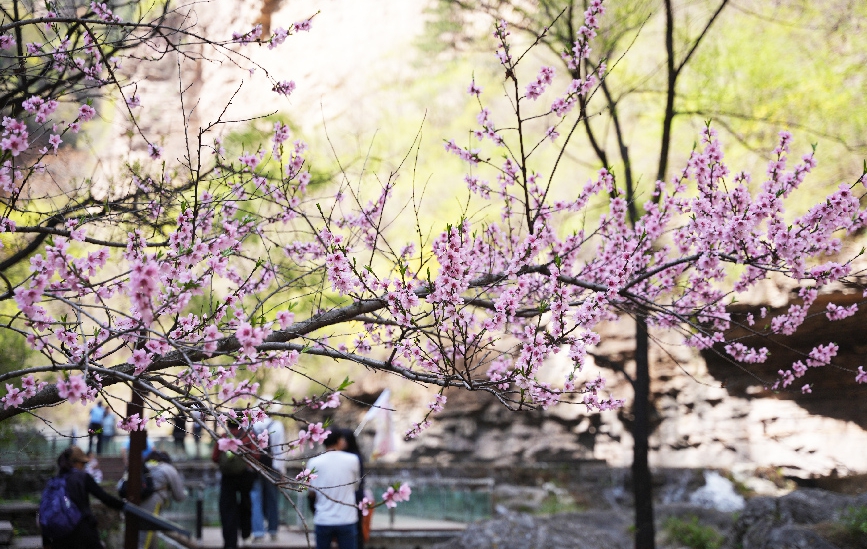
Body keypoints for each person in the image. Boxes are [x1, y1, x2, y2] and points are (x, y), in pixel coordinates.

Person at [41, 446, 125, 549]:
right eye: (83, 463)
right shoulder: (82, 477)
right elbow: (105, 498)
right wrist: (124, 506)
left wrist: (46, 541)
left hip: (59, 536)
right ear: (76, 463)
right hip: (82, 531)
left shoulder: (54, 481)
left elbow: (45, 512)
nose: (84, 466)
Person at [307, 429, 361, 549]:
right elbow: (355, 486)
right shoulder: (352, 460)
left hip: (323, 518)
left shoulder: (314, 462)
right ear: (339, 441)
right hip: (347, 518)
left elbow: (311, 492)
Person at [212, 419, 260, 549]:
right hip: (245, 476)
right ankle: (246, 535)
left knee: (227, 508)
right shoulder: (247, 437)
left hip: (227, 478)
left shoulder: (223, 437)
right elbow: (256, 455)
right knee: (246, 504)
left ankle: (230, 542)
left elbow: (215, 457)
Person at [251, 401, 286, 542]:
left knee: (255, 498)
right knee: (272, 498)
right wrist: (282, 471)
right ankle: (273, 530)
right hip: (273, 467)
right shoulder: (277, 426)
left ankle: (258, 532)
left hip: (254, 466)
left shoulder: (251, 424)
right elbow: (280, 451)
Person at [140, 451, 186, 549]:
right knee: (144, 538)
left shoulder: (141, 466)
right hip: (152, 505)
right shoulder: (167, 468)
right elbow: (179, 496)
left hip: (133, 503)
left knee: (145, 535)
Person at [341, 428, 369, 549]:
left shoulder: (352, 457)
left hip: (354, 495)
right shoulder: (356, 456)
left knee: (355, 527)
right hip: (356, 494)